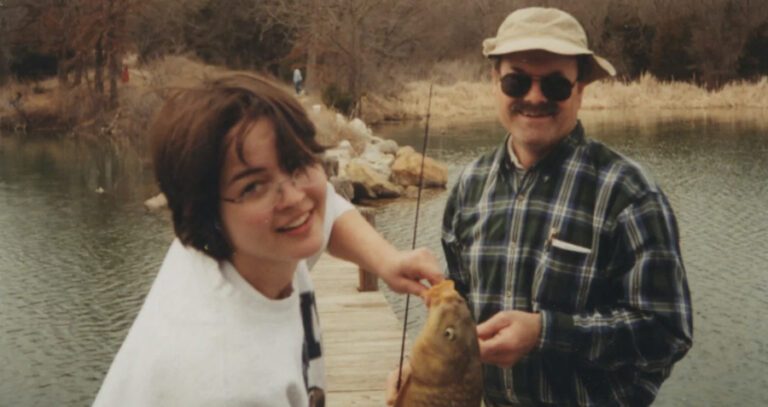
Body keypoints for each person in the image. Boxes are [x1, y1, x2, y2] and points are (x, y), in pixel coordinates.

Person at [388, 7, 692, 407]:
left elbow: (667, 333)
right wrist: (422, 371)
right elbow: (459, 310)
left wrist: (546, 331)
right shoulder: (470, 187)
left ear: (580, 89)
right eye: (516, 81)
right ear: (495, 82)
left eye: (555, 85)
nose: (534, 97)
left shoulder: (630, 193)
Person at [93, 73, 443, 406]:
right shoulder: (228, 384)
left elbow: (328, 210)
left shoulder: (249, 243)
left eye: (296, 163)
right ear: (207, 212)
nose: (294, 197)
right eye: (253, 186)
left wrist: (386, 261)